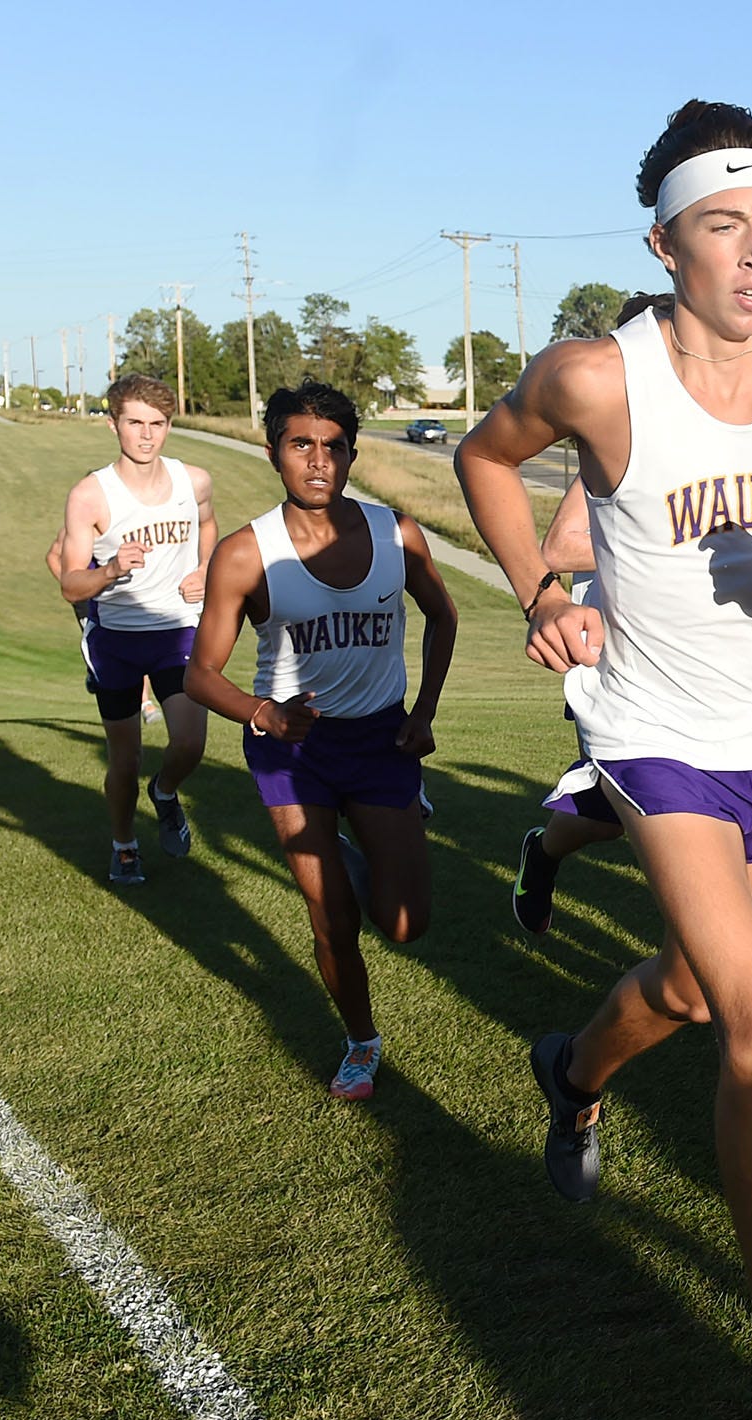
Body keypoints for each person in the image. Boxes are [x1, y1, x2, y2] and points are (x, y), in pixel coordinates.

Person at [457, 99, 752, 1420]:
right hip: (652, 738)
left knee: (693, 988)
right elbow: (484, 457)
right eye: (725, 226)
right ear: (664, 245)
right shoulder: (599, 379)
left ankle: (573, 1069)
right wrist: (541, 592)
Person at [187, 381, 456, 1103]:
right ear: (273, 452)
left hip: (380, 741)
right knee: (332, 916)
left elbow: (444, 616)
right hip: (292, 750)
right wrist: (263, 714)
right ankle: (361, 1043)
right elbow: (199, 674)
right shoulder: (245, 553)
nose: (318, 461)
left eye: (334, 447)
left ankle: (349, 840)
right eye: (300, 444)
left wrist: (424, 712)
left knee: (406, 924)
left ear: (352, 455)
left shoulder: (397, 534)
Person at [509, 292, 671, 936]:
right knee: (617, 812)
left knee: (671, 804)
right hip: (616, 657)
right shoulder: (615, 450)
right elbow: (559, 546)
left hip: (690, 655)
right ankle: (544, 852)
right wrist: (663, 545)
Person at [57, 373, 217, 884]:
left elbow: (208, 524)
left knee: (189, 743)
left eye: (158, 423)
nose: (147, 435)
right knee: (125, 760)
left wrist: (205, 568)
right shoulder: (90, 495)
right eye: (135, 423)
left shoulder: (194, 481)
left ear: (169, 425)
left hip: (178, 629)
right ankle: (124, 844)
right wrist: (109, 570)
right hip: (117, 640)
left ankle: (165, 792)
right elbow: (70, 583)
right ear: (113, 425)